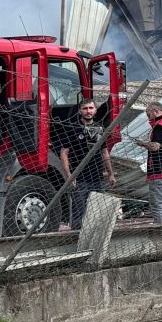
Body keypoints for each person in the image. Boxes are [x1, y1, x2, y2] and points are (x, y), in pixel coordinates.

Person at [56, 99, 114, 231]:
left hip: (97, 178)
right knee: (78, 213)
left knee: (98, 211)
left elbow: (105, 153)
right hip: (80, 178)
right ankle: (75, 238)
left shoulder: (100, 129)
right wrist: (69, 175)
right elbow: (64, 153)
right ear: (80, 111)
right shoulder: (72, 128)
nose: (88, 111)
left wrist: (111, 174)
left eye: (91, 108)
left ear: (95, 110)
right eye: (85, 108)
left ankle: (94, 237)